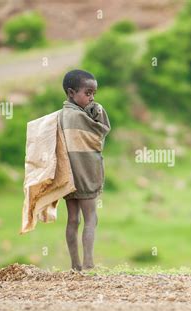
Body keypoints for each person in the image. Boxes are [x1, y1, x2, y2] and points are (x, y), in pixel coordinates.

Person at [60, 69, 111, 270]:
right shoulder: (80, 117)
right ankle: (89, 263)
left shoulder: (60, 116)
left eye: (93, 94)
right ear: (71, 93)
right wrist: (98, 113)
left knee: (73, 219)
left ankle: (75, 265)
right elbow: (100, 132)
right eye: (87, 93)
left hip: (67, 176)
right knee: (91, 217)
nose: (91, 98)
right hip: (85, 174)